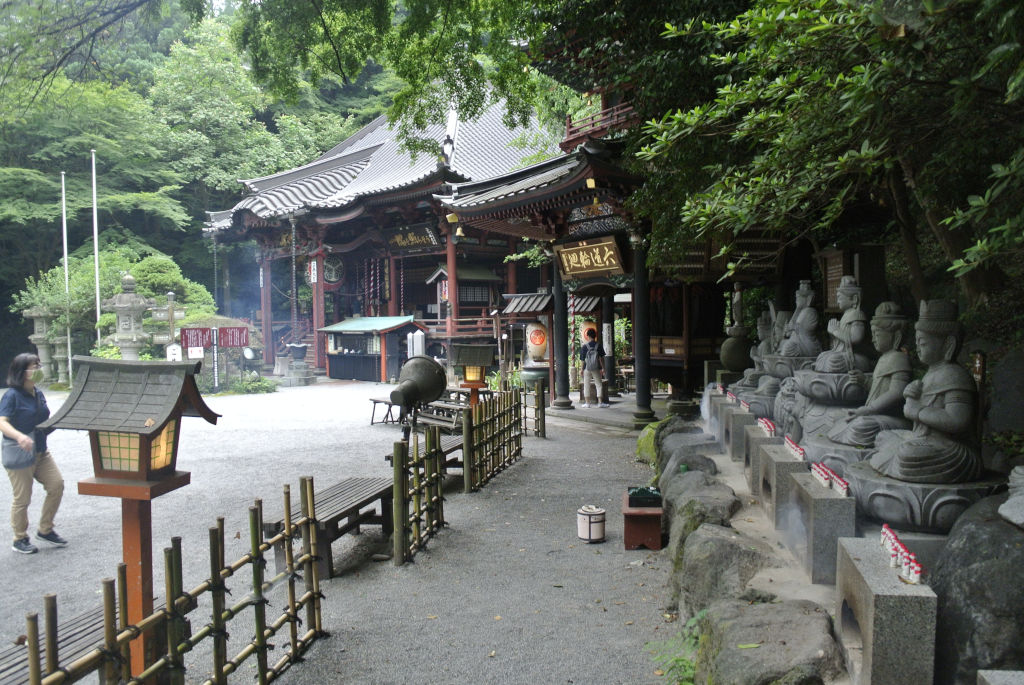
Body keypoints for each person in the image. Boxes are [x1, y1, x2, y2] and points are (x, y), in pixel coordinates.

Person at [0, 353, 66, 554]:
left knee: (56, 485)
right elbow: (2, 422)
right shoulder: (12, 395)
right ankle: (19, 538)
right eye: (34, 367)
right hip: (20, 453)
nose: (38, 369)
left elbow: (44, 419)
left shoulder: (37, 392)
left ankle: (45, 529)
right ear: (23, 372)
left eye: (39, 365)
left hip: (40, 451)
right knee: (22, 498)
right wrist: (20, 437)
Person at [579, 327, 609, 408]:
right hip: (596, 368)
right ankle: (600, 402)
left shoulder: (585, 347)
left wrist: (581, 369)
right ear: (595, 336)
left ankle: (587, 403)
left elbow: (582, 360)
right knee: (599, 384)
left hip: (587, 368)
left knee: (586, 384)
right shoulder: (598, 346)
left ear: (588, 336)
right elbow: (601, 358)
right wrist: (603, 368)